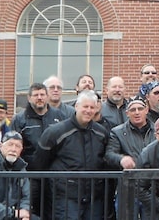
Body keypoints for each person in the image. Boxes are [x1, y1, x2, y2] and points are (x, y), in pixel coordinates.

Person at [31, 90, 109, 220]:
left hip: (93, 197)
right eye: (85, 106)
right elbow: (40, 163)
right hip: (65, 197)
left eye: (92, 107)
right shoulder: (56, 132)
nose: (88, 110)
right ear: (76, 106)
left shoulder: (101, 133)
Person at [10, 82, 64, 217]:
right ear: (29, 98)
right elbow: (13, 146)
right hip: (30, 176)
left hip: (55, 175)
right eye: (35, 95)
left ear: (47, 96)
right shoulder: (19, 119)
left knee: (54, 212)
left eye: (42, 94)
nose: (39, 98)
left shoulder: (59, 116)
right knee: (30, 212)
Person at [105, 96, 155, 219]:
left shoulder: (157, 130)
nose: (137, 112)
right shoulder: (117, 132)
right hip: (128, 188)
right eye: (133, 110)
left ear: (146, 110)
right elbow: (109, 154)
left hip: (153, 187)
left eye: (140, 109)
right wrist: (121, 159)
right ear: (127, 113)